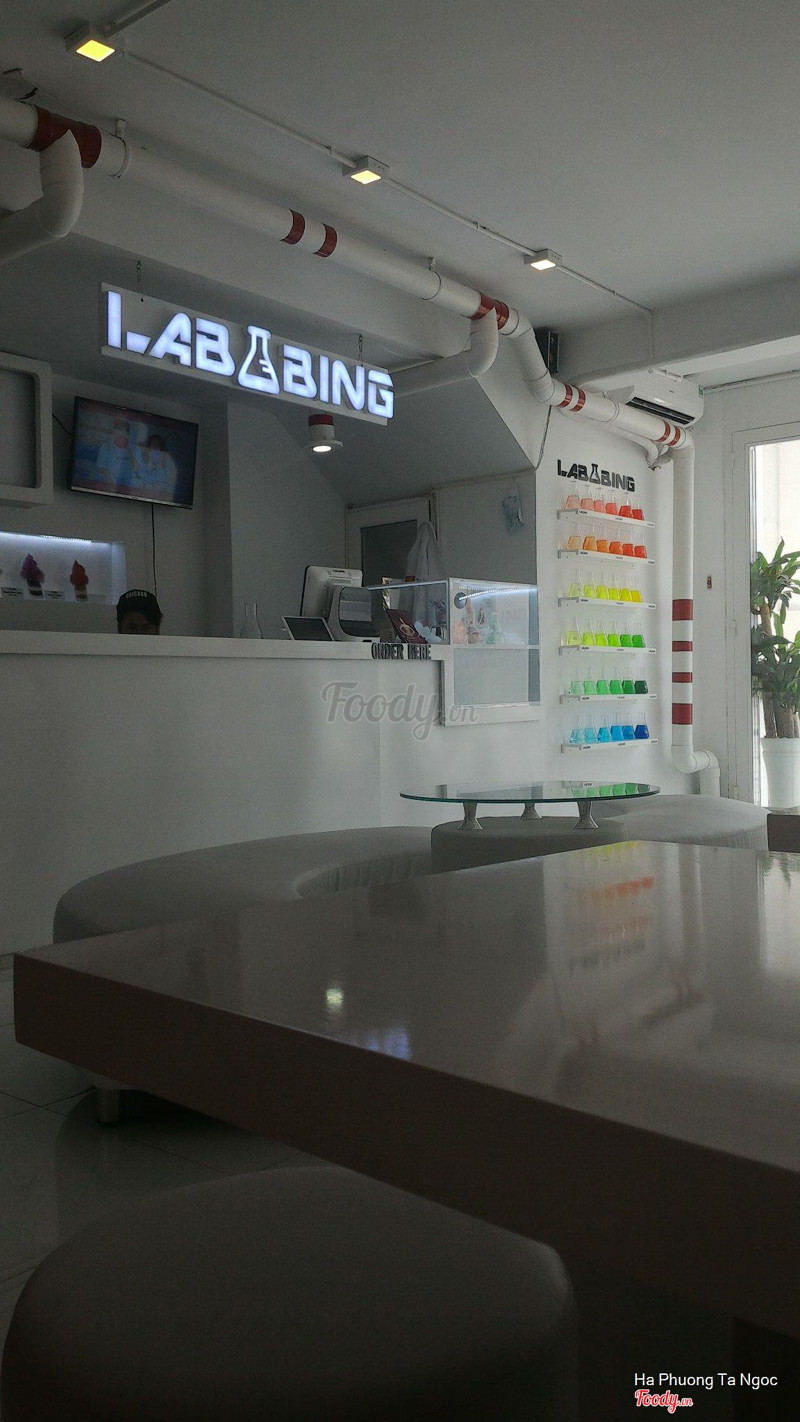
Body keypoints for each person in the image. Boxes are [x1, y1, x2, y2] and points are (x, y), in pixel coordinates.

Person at [96, 417, 136, 492]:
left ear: (128, 433)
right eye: (118, 429)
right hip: (109, 481)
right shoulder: (105, 446)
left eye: (124, 429)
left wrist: (128, 450)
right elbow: (100, 468)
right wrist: (109, 478)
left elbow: (136, 468)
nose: (120, 432)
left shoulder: (135, 449)